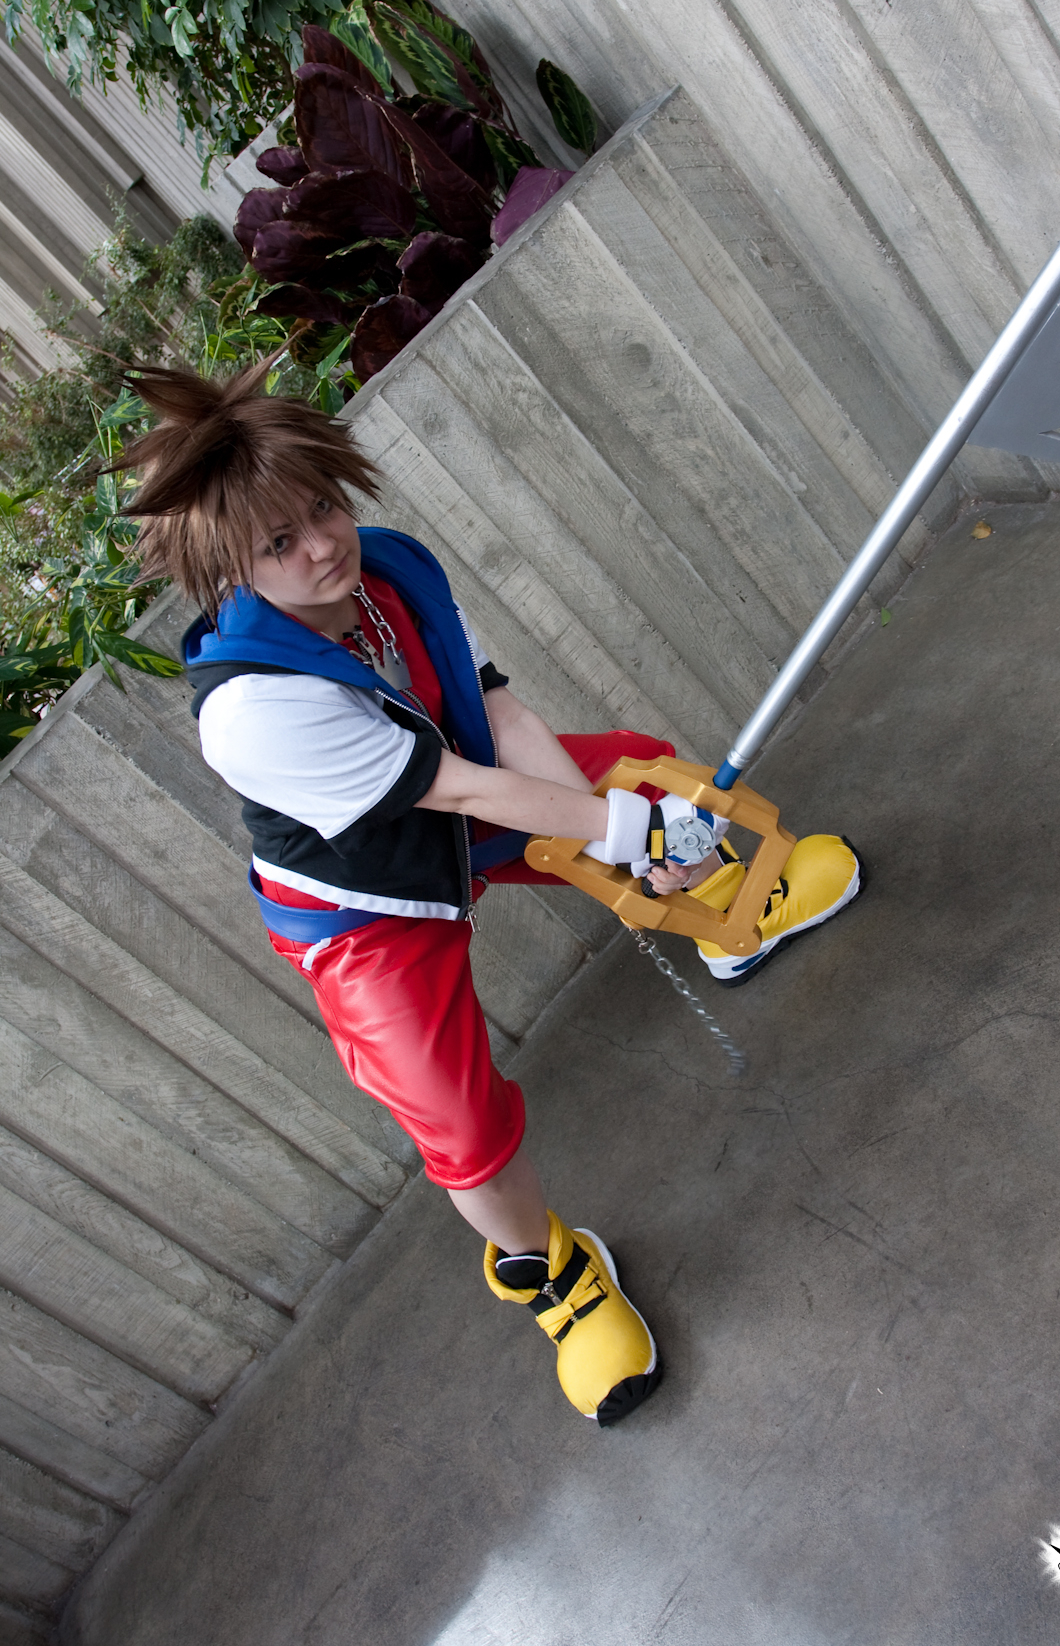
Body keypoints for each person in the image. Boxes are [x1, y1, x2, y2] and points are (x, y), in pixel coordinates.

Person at [121, 358, 861, 1427]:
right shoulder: (250, 710)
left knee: (652, 778)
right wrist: (616, 831)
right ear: (229, 567)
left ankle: (732, 920)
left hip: (466, 793)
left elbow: (494, 709)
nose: (321, 545)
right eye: (278, 543)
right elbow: (456, 789)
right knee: (450, 1112)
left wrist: (622, 826)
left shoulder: (392, 567)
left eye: (321, 507)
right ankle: (555, 1276)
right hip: (367, 905)